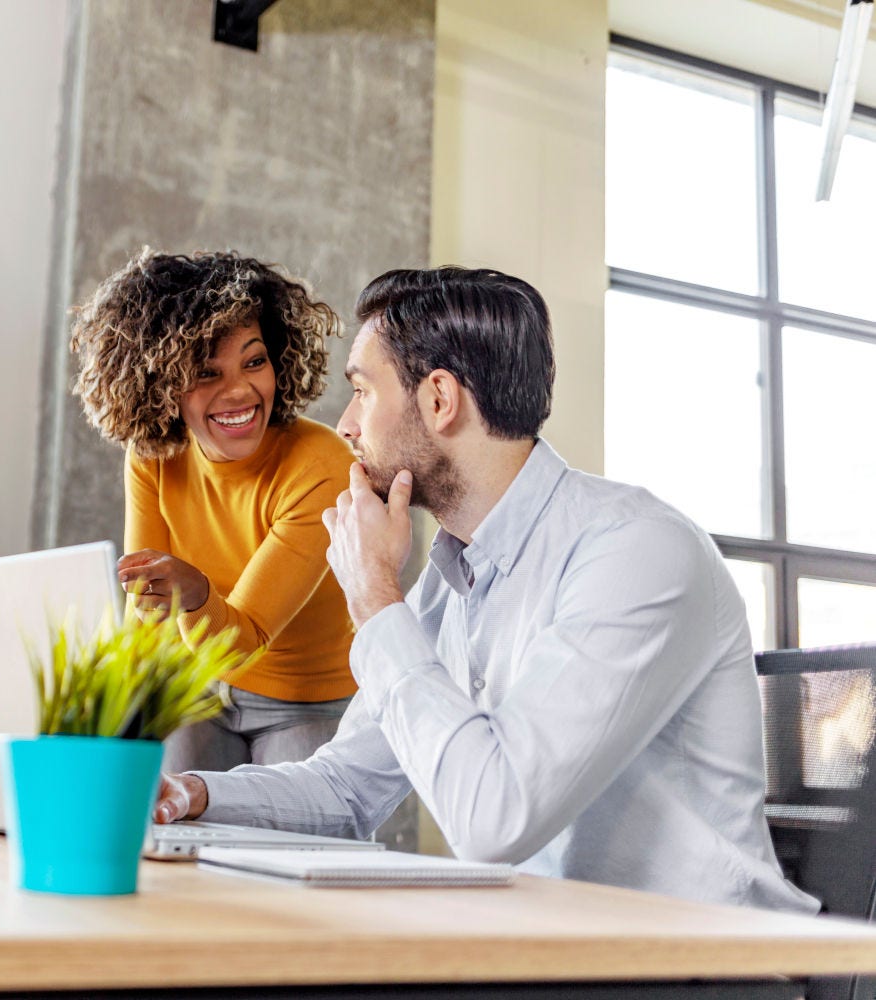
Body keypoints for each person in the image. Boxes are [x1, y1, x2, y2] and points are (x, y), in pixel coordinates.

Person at [153, 265, 817, 912]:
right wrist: (188, 794)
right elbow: (345, 786)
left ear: (439, 400)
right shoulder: (455, 580)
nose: (347, 425)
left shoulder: (635, 552)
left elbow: (493, 822)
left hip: (704, 965)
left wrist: (374, 596)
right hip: (554, 951)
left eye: (363, 391)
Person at [70, 248, 357, 772]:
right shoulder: (155, 455)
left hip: (305, 701)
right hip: (198, 685)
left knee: (286, 849)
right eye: (206, 372)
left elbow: (244, 638)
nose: (240, 390)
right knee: (168, 839)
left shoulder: (321, 465)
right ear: (161, 385)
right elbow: (148, 613)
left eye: (254, 361)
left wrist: (193, 591)